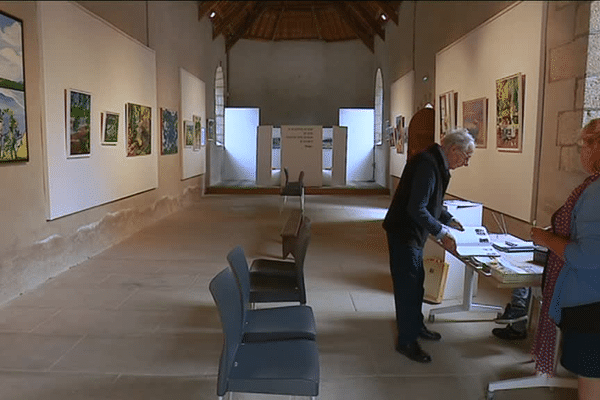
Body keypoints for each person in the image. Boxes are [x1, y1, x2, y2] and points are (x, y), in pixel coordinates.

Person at [382, 127, 474, 363]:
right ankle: (407, 341)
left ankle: (416, 326)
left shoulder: (433, 161)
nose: (466, 164)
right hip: (404, 232)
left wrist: (448, 218)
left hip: (411, 232)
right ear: (453, 149)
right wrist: (442, 232)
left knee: (417, 282)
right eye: (466, 156)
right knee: (408, 287)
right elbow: (417, 207)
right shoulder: (427, 164)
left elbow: (432, 200)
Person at [531, 118, 600, 399]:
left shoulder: (596, 192)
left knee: (591, 381)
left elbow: (589, 256)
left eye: (584, 143)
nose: (580, 150)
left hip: (590, 304)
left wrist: (545, 238)